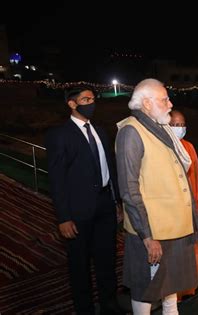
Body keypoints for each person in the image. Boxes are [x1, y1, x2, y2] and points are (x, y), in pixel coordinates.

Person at [115, 79, 198, 315]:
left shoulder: (160, 128)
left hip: (172, 226)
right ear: (146, 103)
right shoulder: (131, 132)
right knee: (146, 287)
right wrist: (147, 236)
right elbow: (129, 190)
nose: (170, 104)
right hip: (152, 231)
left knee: (169, 284)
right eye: (164, 99)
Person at [45, 86, 122, 314]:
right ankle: (85, 309)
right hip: (77, 211)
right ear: (72, 104)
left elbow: (111, 167)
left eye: (93, 99)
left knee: (107, 260)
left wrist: (116, 201)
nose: (91, 103)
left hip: (105, 206)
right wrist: (64, 217)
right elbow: (57, 179)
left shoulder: (100, 130)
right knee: (79, 265)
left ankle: (109, 305)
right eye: (85, 99)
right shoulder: (59, 134)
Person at [169, 110, 198, 301]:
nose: (179, 128)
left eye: (181, 124)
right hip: (170, 211)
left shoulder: (189, 147)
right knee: (172, 252)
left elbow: (197, 176)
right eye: (174, 124)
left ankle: (189, 287)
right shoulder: (163, 146)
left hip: (189, 209)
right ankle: (172, 293)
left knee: (191, 250)